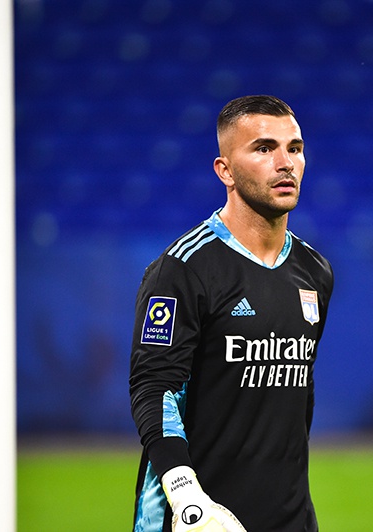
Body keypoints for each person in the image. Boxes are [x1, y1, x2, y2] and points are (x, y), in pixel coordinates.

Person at [130, 95, 334, 532]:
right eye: (264, 148)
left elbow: (298, 399)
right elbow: (154, 388)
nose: (285, 163)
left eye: (295, 148)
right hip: (198, 519)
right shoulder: (183, 269)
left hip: (291, 519)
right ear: (225, 171)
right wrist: (186, 495)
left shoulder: (314, 271)